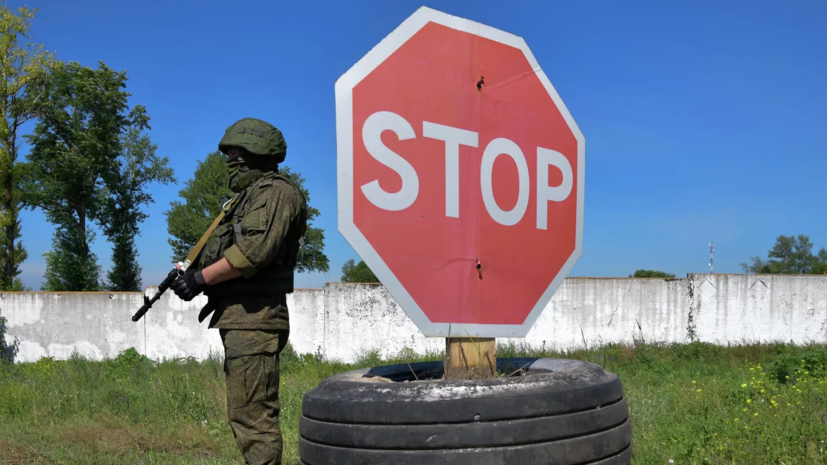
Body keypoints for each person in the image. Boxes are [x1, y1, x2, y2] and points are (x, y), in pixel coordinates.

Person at [170, 117, 307, 465]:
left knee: (254, 421)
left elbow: (252, 253)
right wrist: (191, 273)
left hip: (256, 320)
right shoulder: (245, 199)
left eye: (234, 155)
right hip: (241, 320)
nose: (229, 162)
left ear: (253, 154)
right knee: (244, 415)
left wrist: (200, 280)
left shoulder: (277, 193)